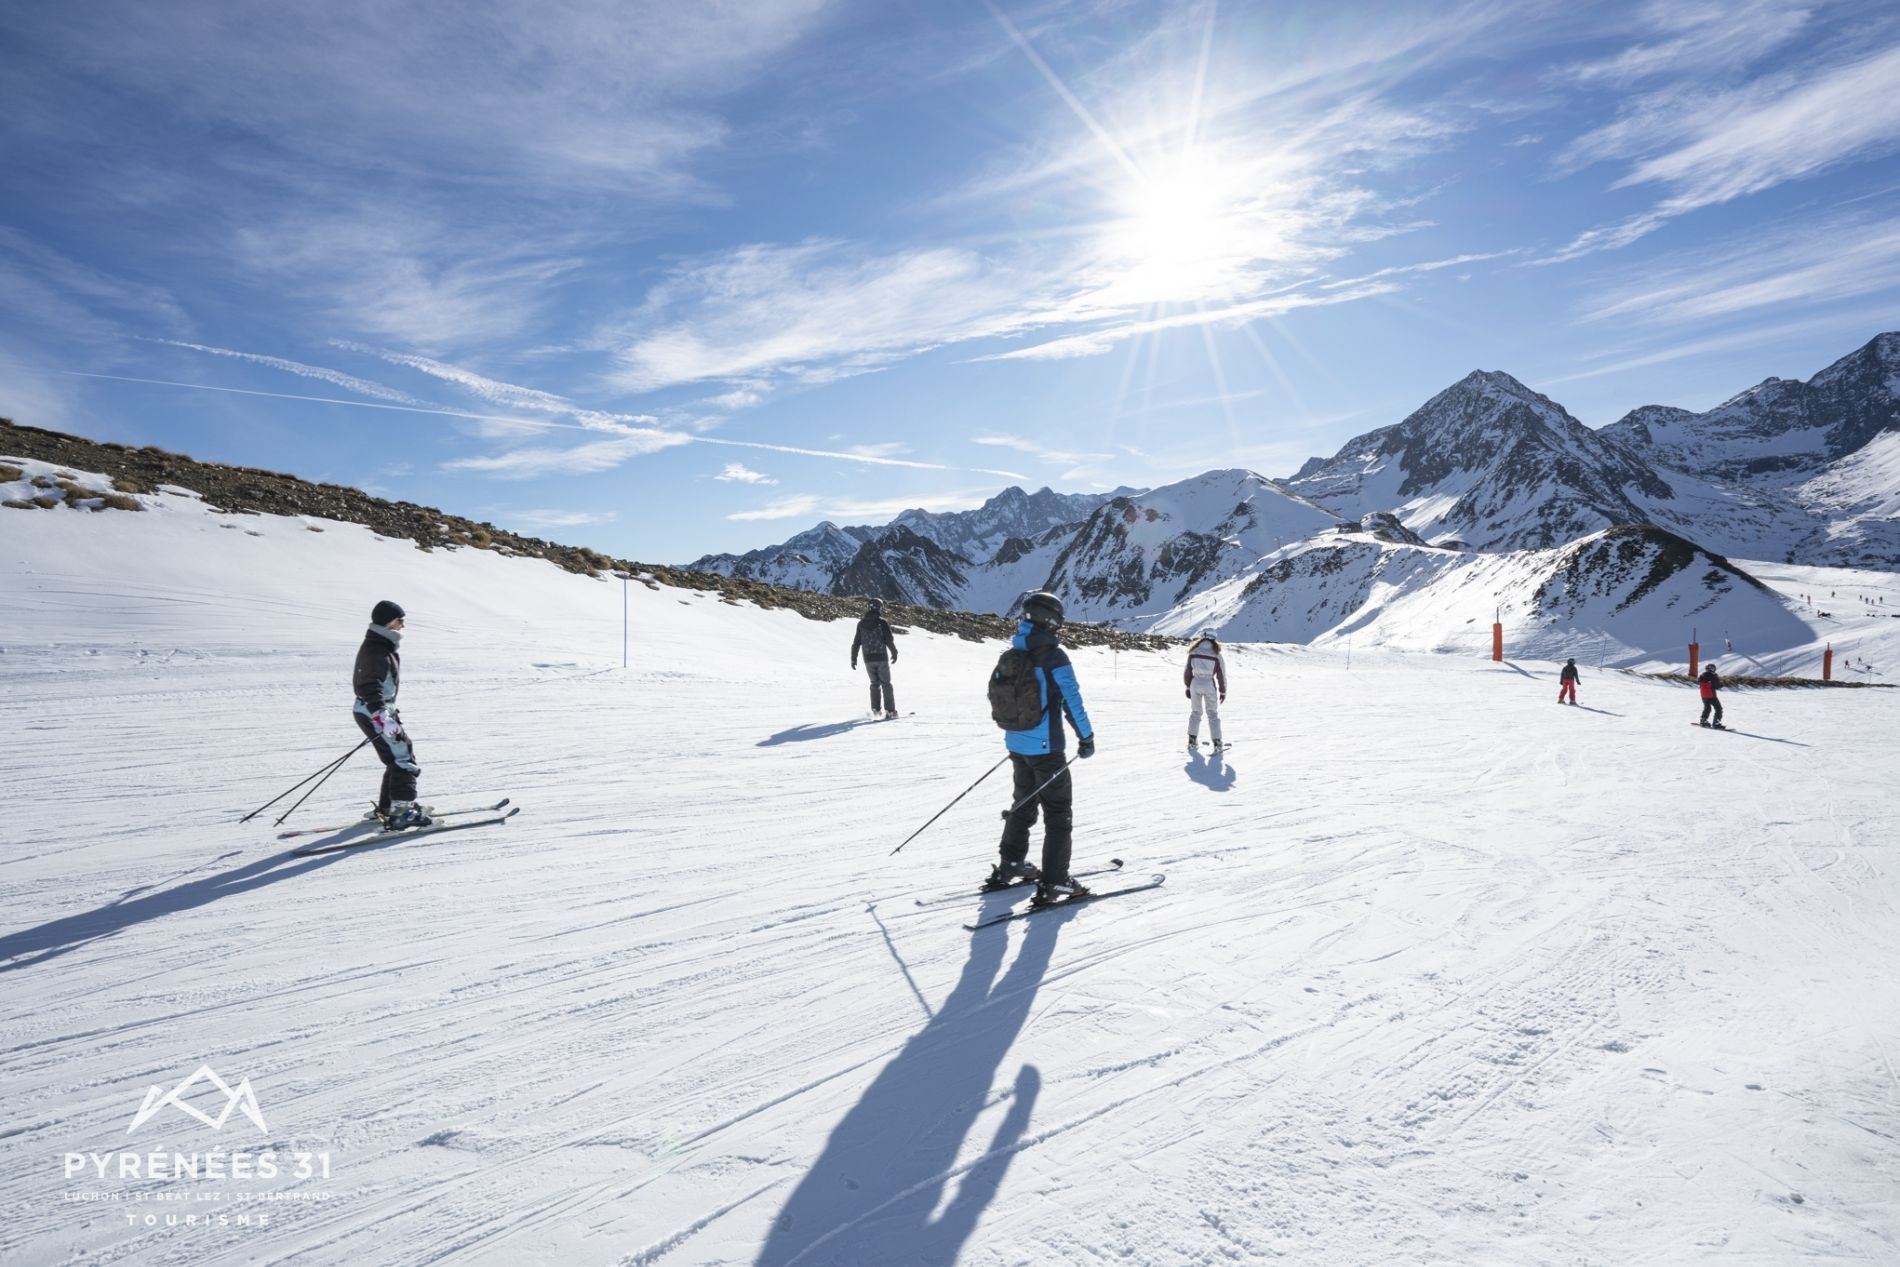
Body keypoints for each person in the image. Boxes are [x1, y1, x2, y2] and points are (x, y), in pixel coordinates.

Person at [991, 591, 1097, 906]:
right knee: (1058, 813)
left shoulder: (1013, 651)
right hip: (1046, 748)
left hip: (1016, 742)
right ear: (1051, 621)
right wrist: (1086, 738)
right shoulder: (1054, 657)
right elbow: (1072, 700)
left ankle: (1011, 863)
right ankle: (1055, 881)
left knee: (1022, 803)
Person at [352, 600, 430, 828]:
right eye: (399, 620)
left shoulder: (379, 644)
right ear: (388, 622)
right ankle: (402, 811)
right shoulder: (377, 649)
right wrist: (382, 717)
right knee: (403, 756)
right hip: (374, 711)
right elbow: (367, 686)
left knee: (394, 757)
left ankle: (389, 807)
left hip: (372, 710)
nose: (402, 626)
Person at [850, 598, 899, 719]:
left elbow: (856, 643)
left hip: (868, 659)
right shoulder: (882, 622)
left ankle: (876, 711)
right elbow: (888, 640)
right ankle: (890, 711)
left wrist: (853, 658)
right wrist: (894, 652)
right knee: (886, 684)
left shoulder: (861, 624)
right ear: (879, 608)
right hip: (881, 657)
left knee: (874, 684)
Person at [1184, 630, 1227, 748]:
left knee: (1196, 712)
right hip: (1209, 684)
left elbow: (1187, 671)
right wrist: (1223, 691)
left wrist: (1188, 687)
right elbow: (1221, 675)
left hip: (1195, 684)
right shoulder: (1216, 655)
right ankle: (1217, 742)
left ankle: (1192, 741)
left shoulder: (1193, 652)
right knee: (1212, 713)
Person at [1697, 662, 1725, 729]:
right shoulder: (1712, 675)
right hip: (1711, 695)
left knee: (1707, 708)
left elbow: (1701, 682)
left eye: (1713, 668)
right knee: (1718, 708)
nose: (1713, 669)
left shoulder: (1703, 674)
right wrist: (1720, 685)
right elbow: (1715, 685)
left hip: (1704, 695)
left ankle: (1703, 720)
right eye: (1711, 668)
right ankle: (1716, 723)